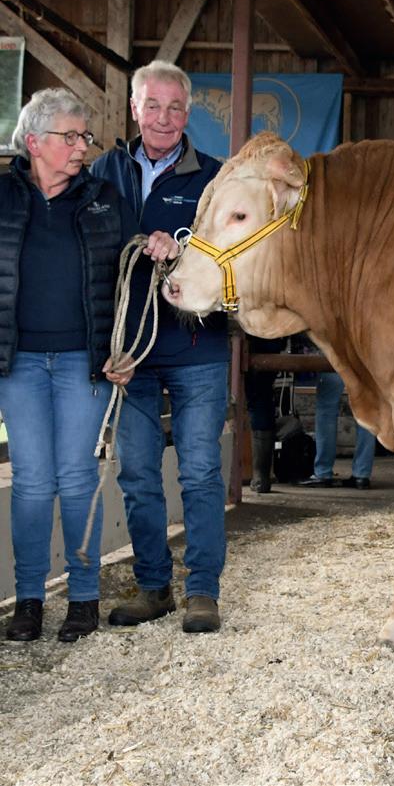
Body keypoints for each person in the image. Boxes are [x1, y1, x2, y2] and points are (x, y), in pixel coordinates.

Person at [0, 88, 174, 643]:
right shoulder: (2, 196)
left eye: (85, 137)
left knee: (77, 479)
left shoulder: (103, 198)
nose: (82, 147)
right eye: (70, 137)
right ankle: (29, 600)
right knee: (31, 482)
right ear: (35, 142)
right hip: (18, 363)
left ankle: (82, 598)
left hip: (85, 361)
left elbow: (133, 277)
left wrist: (126, 346)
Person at [91, 60, 229, 634]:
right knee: (139, 475)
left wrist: (182, 251)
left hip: (197, 349)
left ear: (189, 113)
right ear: (134, 109)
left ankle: (202, 591)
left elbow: (232, 261)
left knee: (199, 472)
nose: (164, 118)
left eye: (175, 107)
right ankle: (153, 586)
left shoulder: (215, 180)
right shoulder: (103, 173)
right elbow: (88, 254)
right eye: (153, 105)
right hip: (129, 353)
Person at [300, 371, 376, 489]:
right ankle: (361, 475)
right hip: (366, 362)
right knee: (366, 410)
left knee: (327, 408)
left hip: (336, 363)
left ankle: (323, 472)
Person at [244, 335, 286, 494]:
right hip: (271, 337)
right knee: (262, 398)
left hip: (249, 338)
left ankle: (258, 476)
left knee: (256, 400)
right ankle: (261, 477)